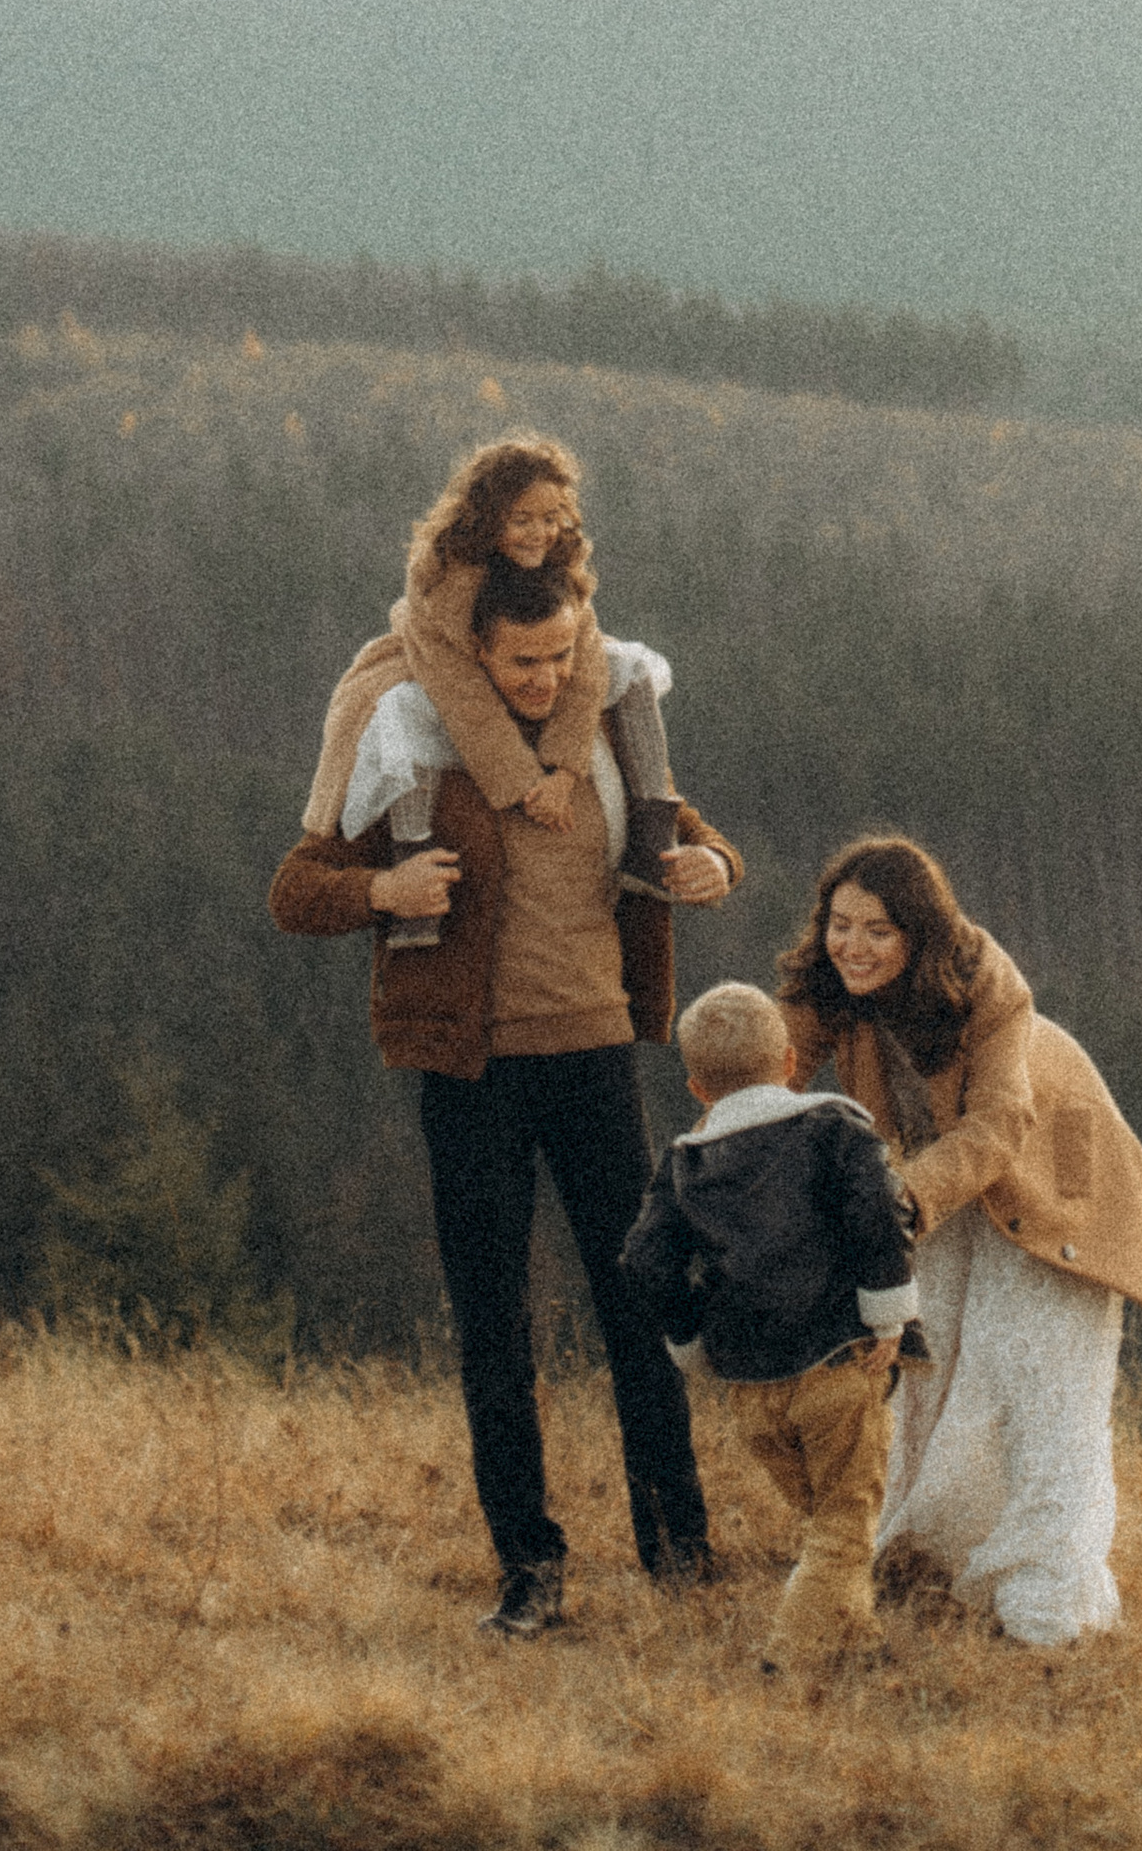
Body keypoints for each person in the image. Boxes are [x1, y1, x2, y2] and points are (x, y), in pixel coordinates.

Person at [271, 519, 740, 1637]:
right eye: (521, 662)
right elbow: (297, 888)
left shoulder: (617, 730)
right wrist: (381, 895)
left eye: (561, 656)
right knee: (496, 1328)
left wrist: (711, 868)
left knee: (641, 1304)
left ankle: (679, 1550)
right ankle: (528, 1573)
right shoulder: (415, 742)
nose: (544, 680)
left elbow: (705, 845)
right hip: (470, 1071)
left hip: (593, 1060)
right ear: (476, 655)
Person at [776, 834, 1142, 1650]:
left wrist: (898, 1200)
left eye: (878, 931)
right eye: (841, 924)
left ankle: (1045, 1588)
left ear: (918, 937)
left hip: (1048, 1175)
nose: (853, 945)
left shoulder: (988, 985)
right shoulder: (828, 983)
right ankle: (928, 1557)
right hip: (933, 1177)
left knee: (1038, 1372)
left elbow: (999, 1123)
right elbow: (764, 1065)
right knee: (931, 1358)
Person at [620, 980, 922, 1674]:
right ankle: (788, 1659)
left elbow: (644, 1260)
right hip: (837, 1365)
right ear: (790, 1063)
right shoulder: (834, 1131)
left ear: (698, 1088)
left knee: (825, 1527)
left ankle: (863, 1646)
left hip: (750, 1387)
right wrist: (888, 1315)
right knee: (846, 1529)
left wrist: (690, 1340)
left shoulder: (684, 1163)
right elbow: (881, 1214)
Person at [301, 434, 681, 887]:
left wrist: (563, 772)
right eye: (521, 519)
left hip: (530, 651)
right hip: (439, 659)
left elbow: (585, 672)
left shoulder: (557, 560)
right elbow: (467, 700)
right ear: (487, 518)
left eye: (550, 517)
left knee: (632, 669)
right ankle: (413, 850)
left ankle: (652, 831)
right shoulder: (444, 579)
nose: (539, 533)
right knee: (401, 715)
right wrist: (521, 785)